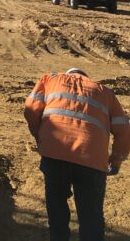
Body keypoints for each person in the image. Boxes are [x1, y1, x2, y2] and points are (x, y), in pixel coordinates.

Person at [24, 67, 130, 241]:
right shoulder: (105, 92)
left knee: (56, 206)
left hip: (54, 153)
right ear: (86, 78)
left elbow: (30, 109)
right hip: (92, 160)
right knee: (91, 216)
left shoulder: (50, 80)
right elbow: (124, 130)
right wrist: (116, 161)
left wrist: (39, 135)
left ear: (68, 74)